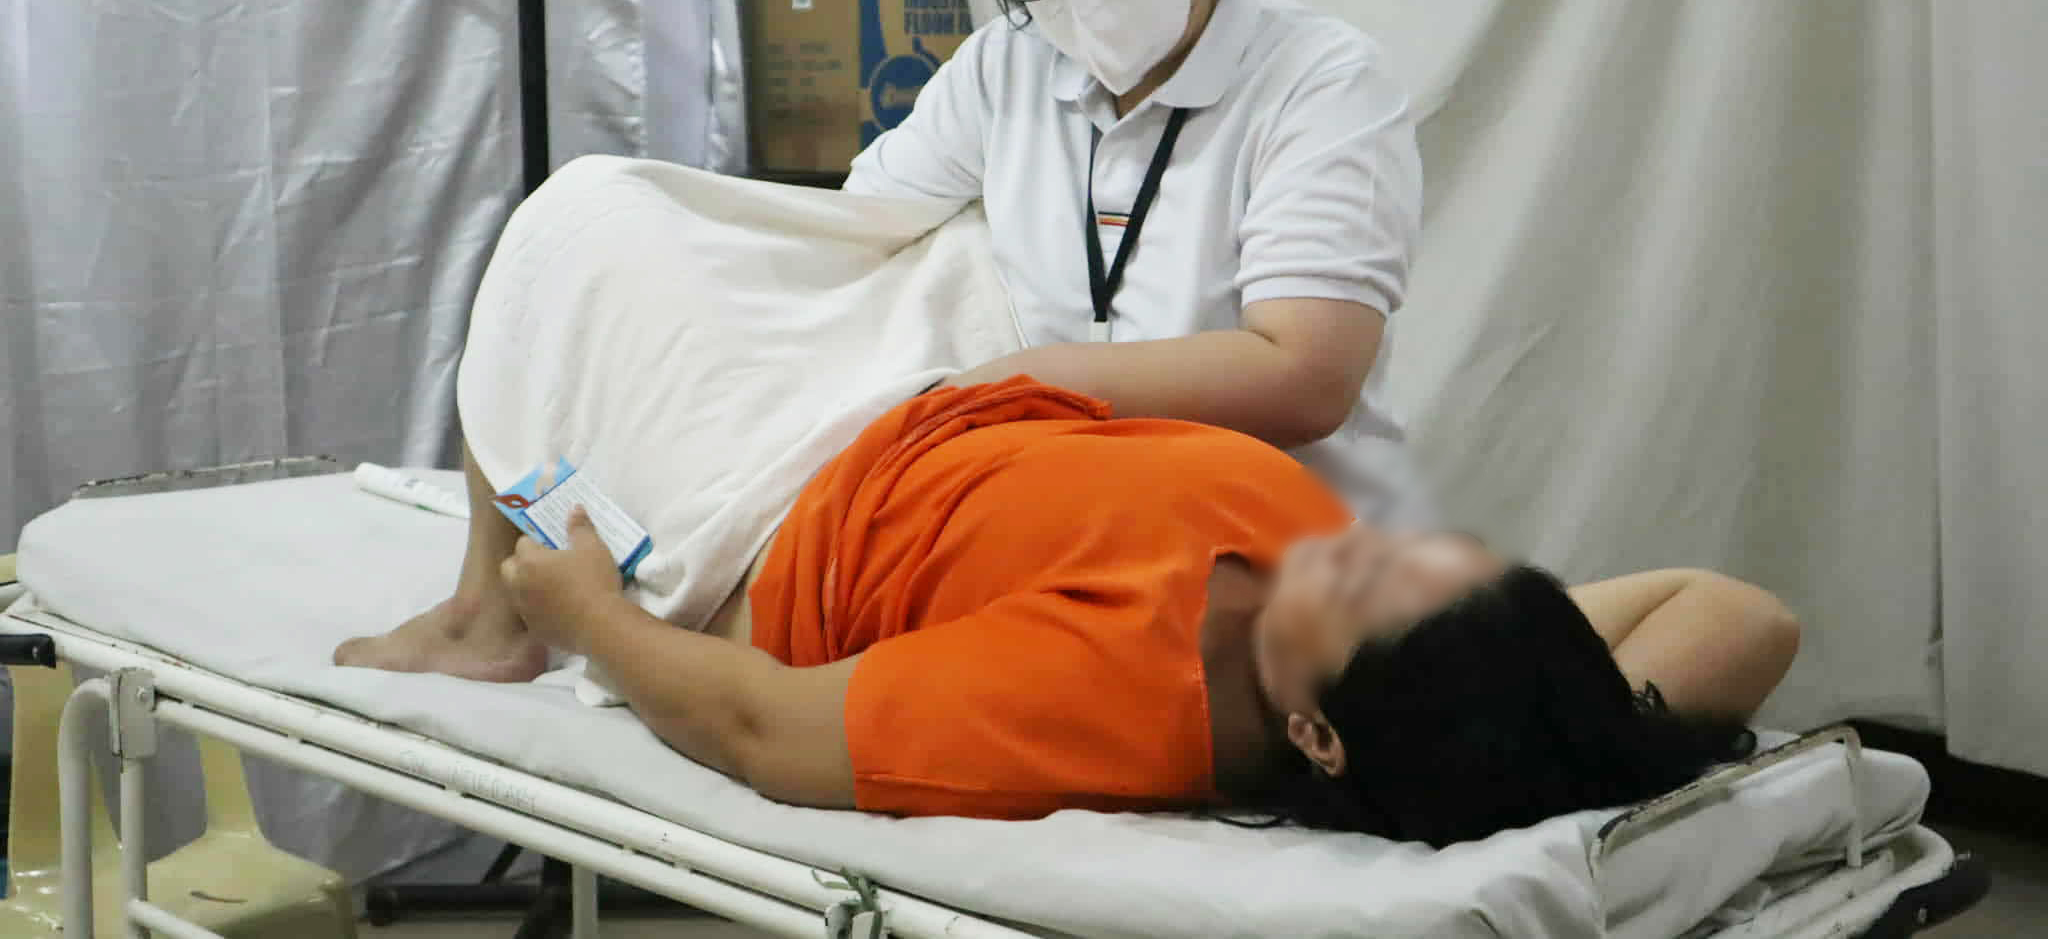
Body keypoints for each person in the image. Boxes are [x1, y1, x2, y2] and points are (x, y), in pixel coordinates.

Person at [338, 379, 1799, 847]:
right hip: (949, 383)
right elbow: (1740, 612)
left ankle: (495, 617)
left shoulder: (1108, 695)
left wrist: (589, 616)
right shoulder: (1435, 653)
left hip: (776, 512)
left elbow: (756, 724)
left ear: (1310, 731)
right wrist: (1605, 753)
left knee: (557, 255)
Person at [843, 0, 1425, 522]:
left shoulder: (1323, 84)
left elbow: (1304, 374)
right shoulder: (1003, 68)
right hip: (1074, 523)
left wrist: (1014, 386)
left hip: (1287, 548)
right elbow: (859, 233)